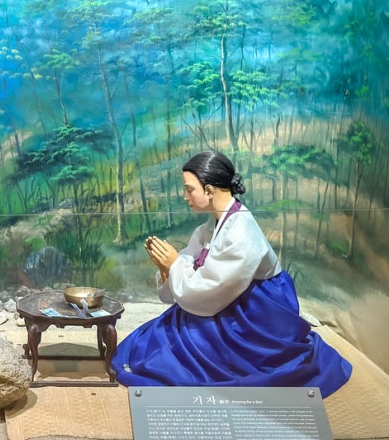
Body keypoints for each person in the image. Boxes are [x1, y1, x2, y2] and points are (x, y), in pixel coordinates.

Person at [111, 150, 352, 397]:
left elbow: (207, 288)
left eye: (189, 189)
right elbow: (194, 267)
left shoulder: (241, 233)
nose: (185, 196)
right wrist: (167, 268)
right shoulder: (214, 223)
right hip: (226, 298)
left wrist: (174, 265)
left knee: (183, 351)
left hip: (258, 312)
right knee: (160, 336)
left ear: (209, 190)